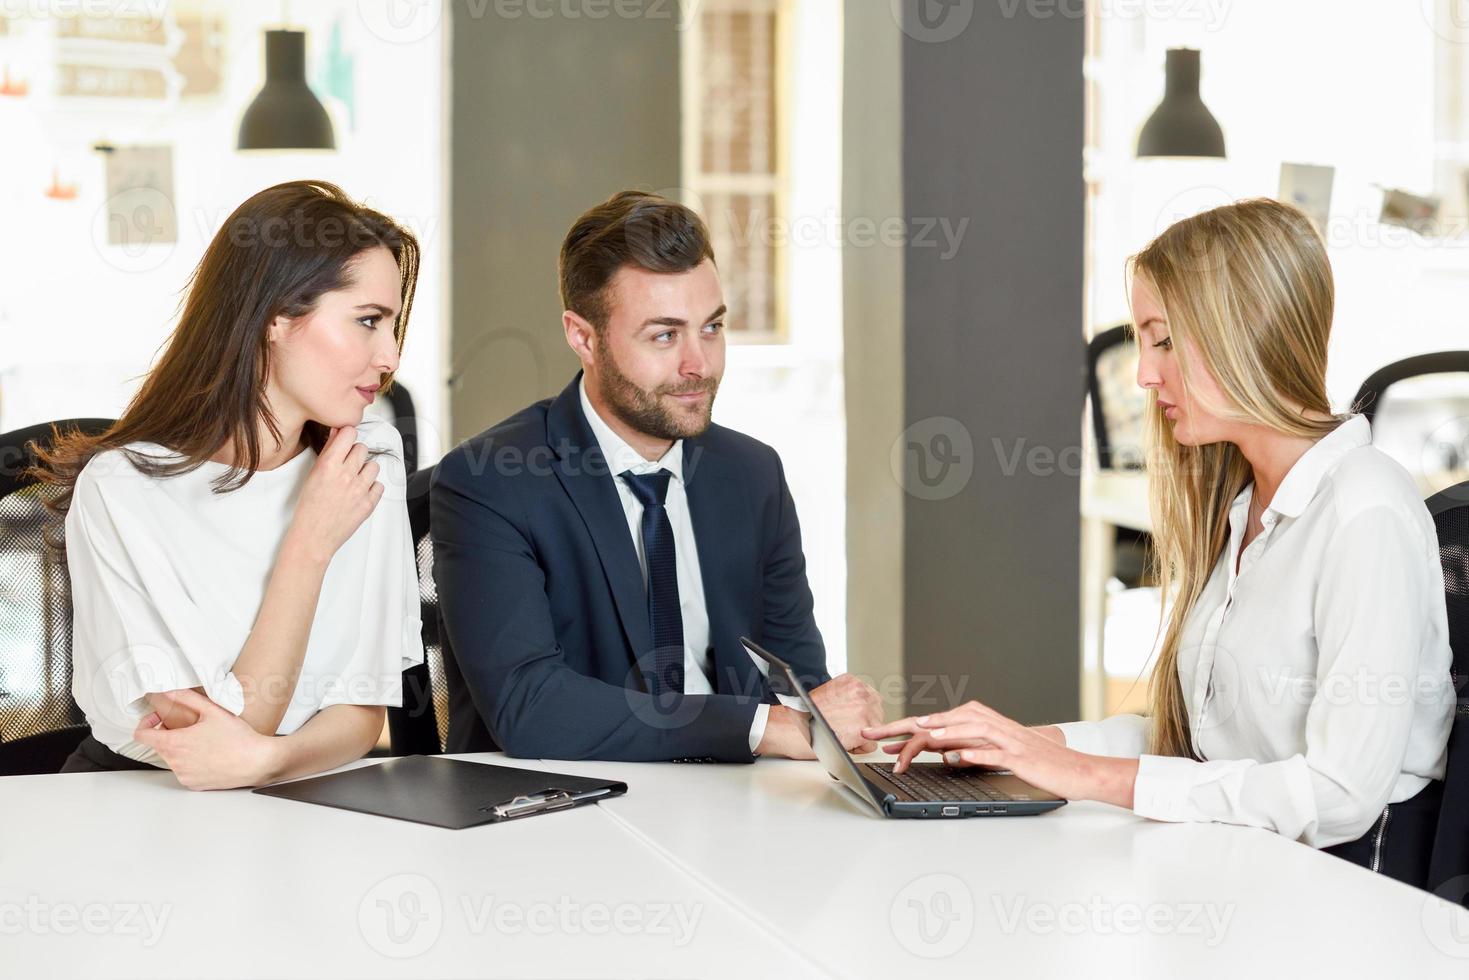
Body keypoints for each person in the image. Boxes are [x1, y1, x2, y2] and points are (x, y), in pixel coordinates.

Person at [864, 198, 1455, 888]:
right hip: (1246, 866)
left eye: (1164, 341)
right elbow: (1205, 746)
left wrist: (1085, 775)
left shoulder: (1363, 510)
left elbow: (1339, 793)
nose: (1143, 375)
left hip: (1345, 888)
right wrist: (1025, 746)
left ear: (1245, 332)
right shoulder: (1244, 506)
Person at [432, 190, 880, 762]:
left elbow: (796, 688)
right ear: (583, 337)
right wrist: (758, 728)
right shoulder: (491, 480)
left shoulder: (751, 474)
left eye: (711, 328)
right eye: (665, 335)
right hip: (561, 819)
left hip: (736, 811)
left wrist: (833, 714)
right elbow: (530, 706)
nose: (700, 364)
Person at [35, 180, 425, 789]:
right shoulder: (123, 491)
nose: (390, 355)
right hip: (142, 805)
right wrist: (309, 543)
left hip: (300, 791)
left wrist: (268, 762)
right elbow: (219, 734)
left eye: (393, 325)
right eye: (368, 322)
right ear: (276, 317)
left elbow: (361, 711)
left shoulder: (368, 457)